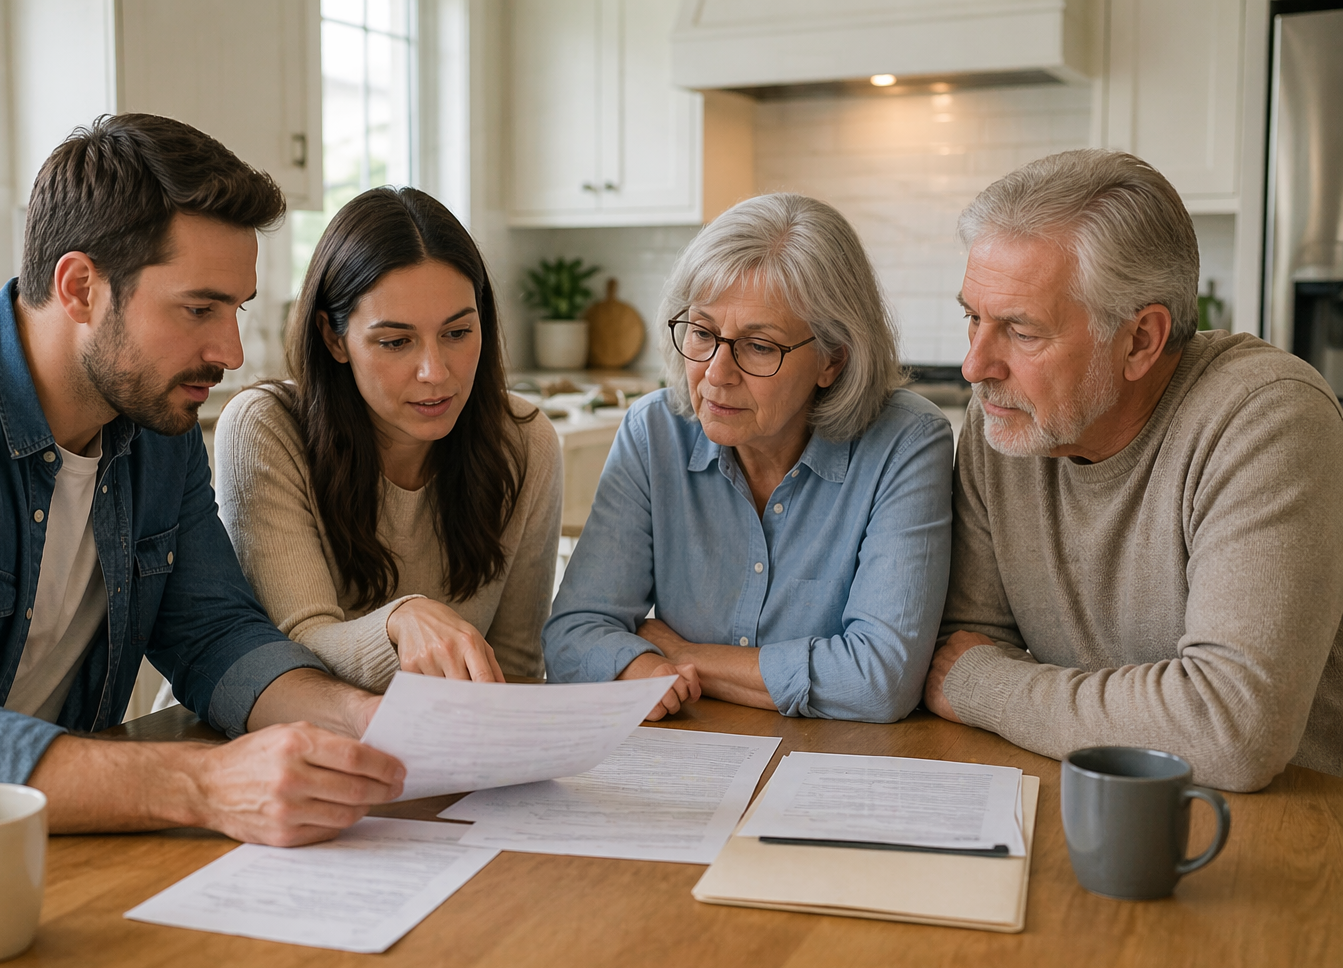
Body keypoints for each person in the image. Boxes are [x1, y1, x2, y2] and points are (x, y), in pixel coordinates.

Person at [0, 113, 407, 843]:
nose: (230, 351)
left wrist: (368, 723)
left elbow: (214, 634)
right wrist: (203, 785)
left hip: (50, 847)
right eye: (199, 308)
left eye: (236, 309)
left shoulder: (155, 424)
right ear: (81, 287)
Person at [924, 149, 1343, 792]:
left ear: (1141, 340)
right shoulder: (1005, 428)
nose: (975, 367)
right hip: (1088, 805)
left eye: (1021, 331)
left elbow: (1232, 729)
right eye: (972, 318)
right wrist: (982, 677)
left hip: (1283, 835)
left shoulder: (1268, 417)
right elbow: (963, 643)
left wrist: (988, 685)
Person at [543, 193, 953, 722]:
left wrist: (685, 658)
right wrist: (638, 668)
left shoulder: (907, 442)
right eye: (702, 331)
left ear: (833, 359)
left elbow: (880, 681)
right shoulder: (654, 431)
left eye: (759, 345)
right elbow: (571, 636)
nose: (716, 373)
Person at [216, 187, 562, 691]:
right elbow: (295, 645)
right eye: (396, 342)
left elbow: (514, 668)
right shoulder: (264, 428)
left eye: (458, 333)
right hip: (245, 741)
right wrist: (403, 619)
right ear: (334, 339)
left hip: (433, 751)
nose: (435, 372)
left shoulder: (525, 443)